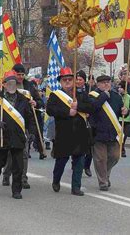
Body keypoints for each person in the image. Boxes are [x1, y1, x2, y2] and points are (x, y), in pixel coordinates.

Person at [0, 70, 35, 199]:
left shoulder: (24, 99)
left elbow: (29, 119)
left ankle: (16, 190)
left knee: (18, 165)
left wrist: (32, 132)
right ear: (4, 84)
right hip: (2, 137)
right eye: (9, 82)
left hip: (18, 138)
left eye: (14, 82)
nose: (12, 84)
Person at [46, 67, 94, 196]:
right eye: (64, 79)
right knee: (61, 161)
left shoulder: (81, 95)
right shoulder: (55, 95)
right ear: (61, 81)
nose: (67, 81)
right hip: (64, 134)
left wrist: (79, 106)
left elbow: (91, 107)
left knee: (79, 162)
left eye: (69, 79)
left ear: (73, 81)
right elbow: (50, 110)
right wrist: (67, 112)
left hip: (80, 133)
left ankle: (76, 187)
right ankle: (56, 180)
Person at [3, 63, 44, 189]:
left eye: (22, 74)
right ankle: (6, 174)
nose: (20, 77)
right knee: (10, 152)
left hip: (25, 122)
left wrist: (35, 102)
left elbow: (40, 101)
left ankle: (23, 178)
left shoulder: (29, 85)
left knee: (24, 152)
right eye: (18, 74)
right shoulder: (6, 85)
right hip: (9, 122)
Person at [88, 75, 126, 191]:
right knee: (100, 159)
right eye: (103, 83)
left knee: (115, 156)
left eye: (108, 82)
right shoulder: (92, 96)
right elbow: (92, 108)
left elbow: (121, 112)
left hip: (113, 133)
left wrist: (126, 111)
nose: (106, 84)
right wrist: (103, 96)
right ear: (98, 84)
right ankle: (103, 181)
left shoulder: (116, 97)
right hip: (98, 132)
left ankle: (105, 174)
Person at [75, 70, 93, 177]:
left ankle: (87, 166)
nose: (78, 81)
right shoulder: (72, 92)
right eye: (76, 79)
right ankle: (76, 164)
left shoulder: (90, 92)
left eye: (80, 79)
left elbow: (92, 106)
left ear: (84, 80)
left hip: (88, 122)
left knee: (89, 146)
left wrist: (88, 111)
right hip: (76, 122)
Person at [118, 81, 130, 158]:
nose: (120, 89)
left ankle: (122, 147)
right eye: (119, 87)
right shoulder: (117, 96)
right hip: (118, 119)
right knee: (119, 134)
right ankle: (120, 149)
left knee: (125, 135)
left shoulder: (129, 97)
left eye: (121, 87)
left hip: (126, 119)